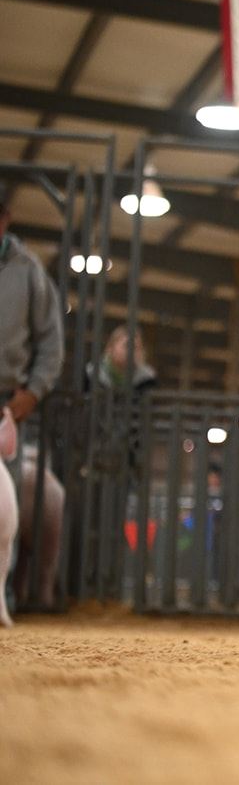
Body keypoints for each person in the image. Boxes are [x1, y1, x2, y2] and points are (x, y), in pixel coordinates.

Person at [0, 185, 66, 611]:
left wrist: (34, 391)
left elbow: (51, 341)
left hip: (5, 404)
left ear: (4, 220)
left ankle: (1, 596)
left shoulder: (27, 271)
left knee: (2, 513)